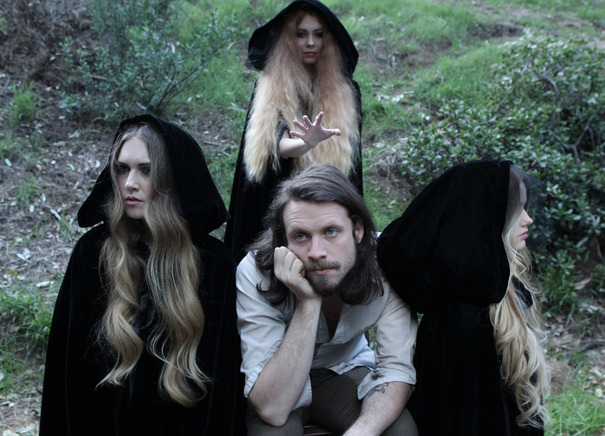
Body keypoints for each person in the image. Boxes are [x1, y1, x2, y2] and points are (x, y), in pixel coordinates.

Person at [40, 115, 246, 435]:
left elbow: (224, 389)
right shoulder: (92, 254)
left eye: (146, 170)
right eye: (122, 169)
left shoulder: (213, 265)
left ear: (172, 178)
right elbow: (64, 375)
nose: (129, 183)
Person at [236, 163, 417, 435]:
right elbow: (272, 409)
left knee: (398, 429)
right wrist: (308, 303)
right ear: (283, 241)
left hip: (343, 370)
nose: (316, 252)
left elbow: (395, 369)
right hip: (278, 377)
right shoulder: (255, 271)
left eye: (331, 231)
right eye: (300, 236)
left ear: (357, 230)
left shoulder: (387, 263)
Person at [377, 159, 550, 435]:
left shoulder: (505, 290)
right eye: (516, 209)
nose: (528, 219)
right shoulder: (463, 318)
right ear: (485, 217)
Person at [225, 0, 363, 262]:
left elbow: (353, 171)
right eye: (301, 34)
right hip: (276, 195)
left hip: (326, 196)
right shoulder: (272, 85)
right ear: (289, 39)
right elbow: (279, 143)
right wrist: (305, 144)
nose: (310, 42)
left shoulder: (347, 92)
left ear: (328, 39)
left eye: (318, 34)